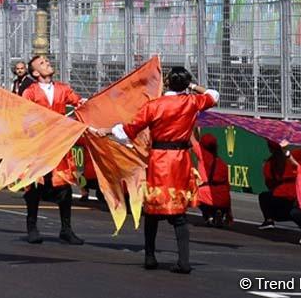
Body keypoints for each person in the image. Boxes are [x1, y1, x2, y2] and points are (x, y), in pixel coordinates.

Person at [95, 66, 219, 274]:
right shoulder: (192, 102)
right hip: (180, 159)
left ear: (168, 83)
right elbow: (213, 95)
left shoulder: (154, 105)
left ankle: (150, 256)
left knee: (152, 209)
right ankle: (184, 260)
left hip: (160, 158)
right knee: (179, 213)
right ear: (185, 84)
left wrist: (106, 130)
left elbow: (129, 129)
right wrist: (193, 86)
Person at [21, 55, 85, 245]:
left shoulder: (62, 89)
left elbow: (78, 102)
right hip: (38, 145)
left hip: (58, 144)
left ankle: (66, 229)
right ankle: (31, 227)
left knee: (64, 185)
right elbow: (24, 115)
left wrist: (85, 103)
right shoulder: (30, 92)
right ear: (35, 72)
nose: (47, 64)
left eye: (47, 61)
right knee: (35, 185)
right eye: (42, 63)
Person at [258, 141, 298, 229]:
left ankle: (269, 220)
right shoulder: (293, 158)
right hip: (298, 192)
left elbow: (269, 182)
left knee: (263, 196)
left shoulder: (270, 161)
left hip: (281, 192)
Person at [195, 133, 232, 227]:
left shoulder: (202, 156)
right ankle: (220, 212)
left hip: (207, 195)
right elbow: (227, 187)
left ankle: (209, 215)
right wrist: (229, 211)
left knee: (195, 192)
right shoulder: (223, 164)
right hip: (224, 199)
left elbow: (192, 140)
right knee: (221, 195)